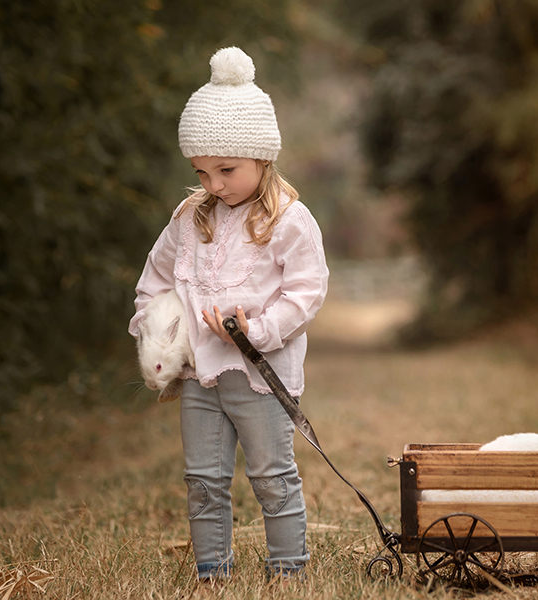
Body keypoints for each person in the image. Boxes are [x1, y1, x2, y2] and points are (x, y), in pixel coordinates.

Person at [128, 46, 328, 581]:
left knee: (271, 475)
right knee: (203, 478)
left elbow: (306, 293)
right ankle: (212, 570)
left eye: (227, 169)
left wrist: (258, 331)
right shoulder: (190, 218)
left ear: (263, 157)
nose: (214, 184)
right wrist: (159, 333)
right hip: (200, 374)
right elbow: (155, 280)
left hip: (260, 376)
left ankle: (287, 570)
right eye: (201, 171)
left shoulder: (289, 220)